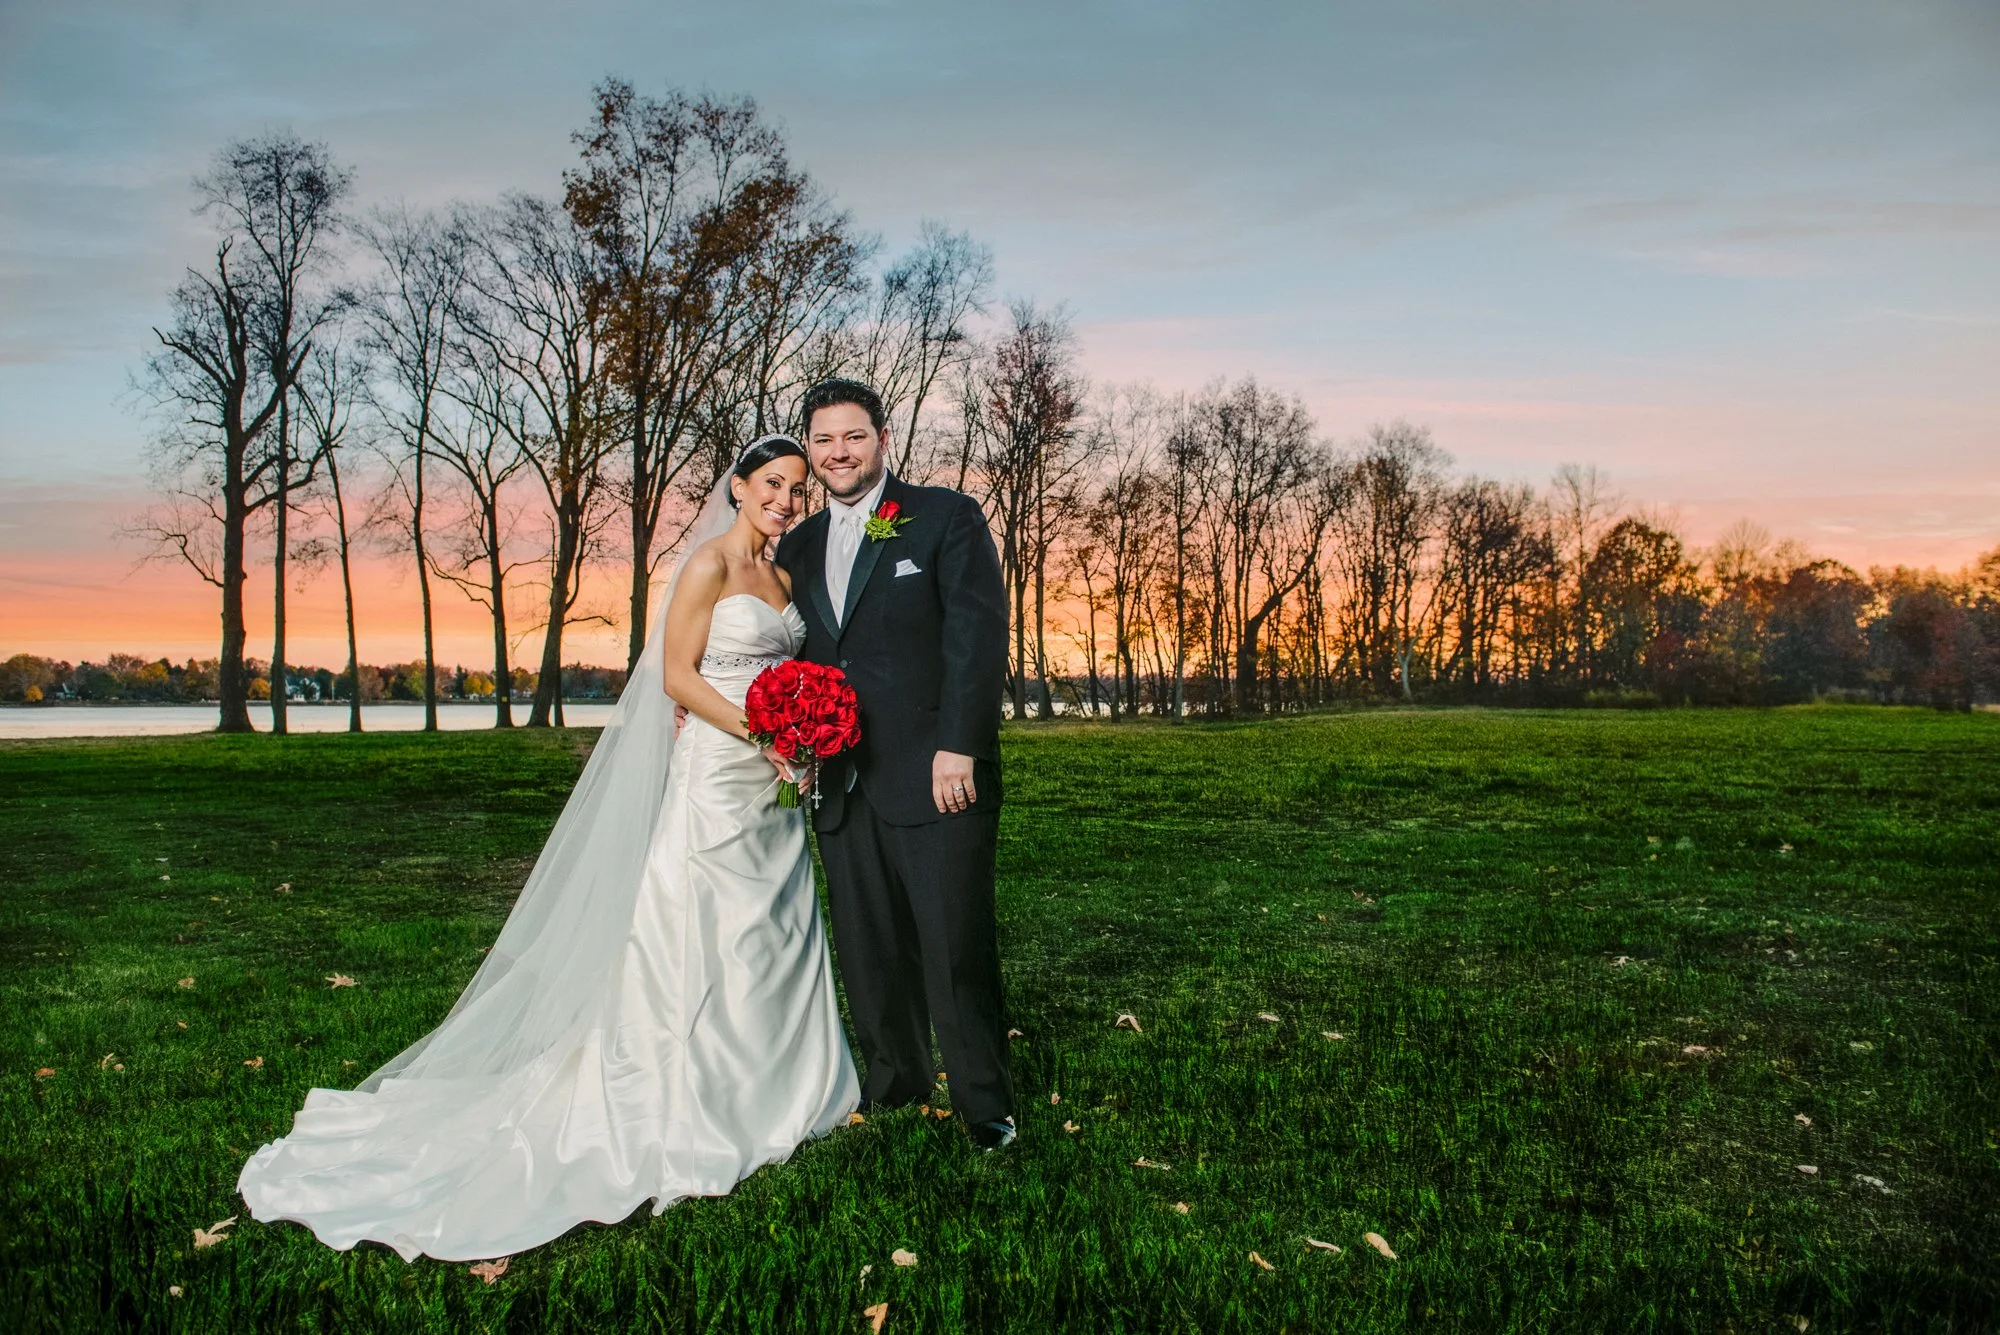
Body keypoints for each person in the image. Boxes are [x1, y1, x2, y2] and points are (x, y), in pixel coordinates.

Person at [236, 435, 859, 1262]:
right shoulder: (708, 565)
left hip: (772, 789)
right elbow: (676, 675)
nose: (786, 499)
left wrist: (799, 732)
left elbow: (780, 667)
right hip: (717, 776)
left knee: (773, 928)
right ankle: (693, 1099)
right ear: (739, 486)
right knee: (707, 924)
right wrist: (765, 730)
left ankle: (778, 1090)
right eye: (772, 484)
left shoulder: (783, 580)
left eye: (797, 489)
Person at [776, 378, 1016, 1150]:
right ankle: (897, 1083)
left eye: (853, 436)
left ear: (882, 438)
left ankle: (986, 1109)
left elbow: (976, 639)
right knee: (869, 948)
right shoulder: (799, 544)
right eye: (823, 440)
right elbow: (790, 650)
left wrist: (962, 744)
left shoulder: (944, 517)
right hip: (842, 781)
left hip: (937, 771)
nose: (838, 452)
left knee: (954, 945)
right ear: (810, 451)